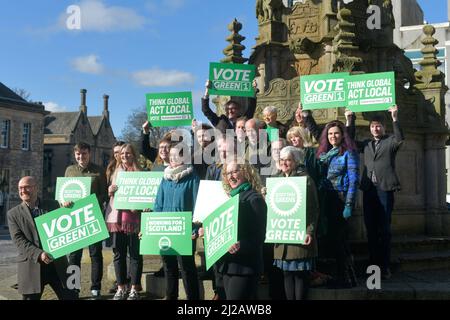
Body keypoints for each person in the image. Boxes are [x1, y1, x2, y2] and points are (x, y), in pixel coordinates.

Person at [346, 105, 403, 279]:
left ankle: (384, 266)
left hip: (384, 189)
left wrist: (395, 118)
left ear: (383, 127)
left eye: (378, 126)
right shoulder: (367, 144)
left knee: (384, 229)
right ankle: (373, 265)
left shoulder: (390, 142)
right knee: (371, 229)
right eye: (372, 126)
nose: (375, 129)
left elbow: (400, 138)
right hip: (369, 190)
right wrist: (350, 120)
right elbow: (349, 142)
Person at [7, 176, 78, 300]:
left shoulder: (53, 205)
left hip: (57, 264)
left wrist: (69, 209)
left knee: (71, 296)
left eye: (26, 187)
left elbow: (67, 223)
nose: (23, 190)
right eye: (20, 188)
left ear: (36, 188)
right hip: (32, 265)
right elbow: (19, 240)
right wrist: (39, 254)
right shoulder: (13, 214)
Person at [316, 120, 359, 289]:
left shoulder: (349, 153)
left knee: (340, 241)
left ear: (342, 135)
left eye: (336, 133)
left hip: (341, 200)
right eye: (330, 134)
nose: (333, 136)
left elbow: (354, 180)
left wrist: (349, 204)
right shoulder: (325, 154)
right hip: (327, 200)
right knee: (332, 241)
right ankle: (345, 277)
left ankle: (345, 278)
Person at [154, 143, 200, 300]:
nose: (173, 159)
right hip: (166, 230)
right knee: (169, 267)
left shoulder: (192, 178)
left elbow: (197, 205)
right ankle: (170, 296)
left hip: (185, 232)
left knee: (187, 268)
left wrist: (194, 229)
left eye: (176, 156)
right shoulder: (165, 178)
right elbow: (158, 205)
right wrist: (152, 228)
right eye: (171, 155)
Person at [273, 147, 319, 300]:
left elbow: (314, 209)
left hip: (299, 235)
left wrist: (309, 231)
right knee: (286, 274)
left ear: (295, 161)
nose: (284, 163)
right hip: (282, 235)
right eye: (281, 159)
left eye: (288, 159)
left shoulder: (305, 180)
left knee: (299, 275)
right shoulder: (276, 180)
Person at [63, 142, 107, 299]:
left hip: (92, 217)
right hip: (75, 219)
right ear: (75, 154)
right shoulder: (69, 170)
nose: (81, 157)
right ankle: (73, 288)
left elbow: (105, 194)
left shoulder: (99, 171)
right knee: (74, 256)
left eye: (84, 153)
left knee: (95, 254)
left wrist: (91, 201)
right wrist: (63, 202)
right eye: (78, 154)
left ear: (90, 153)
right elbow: (63, 194)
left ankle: (96, 288)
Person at [219, 160, 267, 300]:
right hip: (228, 266)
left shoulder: (255, 199)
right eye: (228, 173)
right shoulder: (228, 199)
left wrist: (241, 244)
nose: (231, 176)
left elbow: (259, 236)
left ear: (245, 172)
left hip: (245, 267)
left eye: (235, 171)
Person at [106, 143, 144, 300]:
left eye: (128, 153)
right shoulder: (115, 172)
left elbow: (145, 196)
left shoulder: (140, 173)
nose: (125, 156)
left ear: (133, 155)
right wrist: (110, 191)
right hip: (116, 218)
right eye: (122, 154)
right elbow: (110, 193)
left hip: (133, 219)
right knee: (118, 255)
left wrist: (139, 206)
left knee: (135, 254)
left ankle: (134, 288)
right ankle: (121, 287)